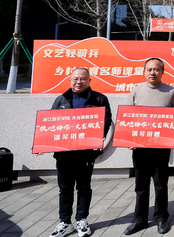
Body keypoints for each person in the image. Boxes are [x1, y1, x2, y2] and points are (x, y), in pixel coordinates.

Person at [48, 67, 113, 237]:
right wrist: (42, 145)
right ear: (70, 81)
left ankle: (82, 220)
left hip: (86, 153)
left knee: (84, 187)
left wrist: (99, 139)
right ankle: (65, 222)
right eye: (75, 79)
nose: (79, 82)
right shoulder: (61, 99)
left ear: (89, 81)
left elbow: (106, 121)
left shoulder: (99, 99)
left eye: (83, 79)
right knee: (65, 189)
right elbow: (50, 124)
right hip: (64, 154)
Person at [124, 58, 174, 235]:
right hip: (140, 147)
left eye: (156, 69)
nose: (152, 72)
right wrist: (128, 140)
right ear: (144, 72)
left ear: (162, 72)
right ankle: (139, 219)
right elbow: (128, 117)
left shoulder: (171, 91)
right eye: (149, 69)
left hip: (161, 147)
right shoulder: (136, 91)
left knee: (160, 184)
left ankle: (161, 217)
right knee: (141, 185)